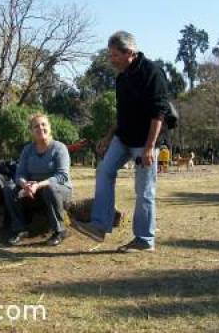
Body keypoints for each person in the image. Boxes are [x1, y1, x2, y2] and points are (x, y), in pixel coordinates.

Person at [71, 31, 169, 252]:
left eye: (115, 55)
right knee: (104, 171)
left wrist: (150, 147)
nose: (111, 59)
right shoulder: (122, 78)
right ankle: (99, 225)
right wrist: (108, 137)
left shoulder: (152, 72)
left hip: (145, 141)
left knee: (144, 190)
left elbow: (159, 114)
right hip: (123, 137)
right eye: (110, 55)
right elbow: (122, 114)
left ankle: (144, 240)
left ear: (130, 52)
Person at [4, 113, 72, 246]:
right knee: (9, 188)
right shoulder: (27, 150)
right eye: (36, 126)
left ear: (50, 127)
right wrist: (25, 184)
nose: (40, 128)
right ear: (31, 131)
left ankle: (59, 231)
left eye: (43, 124)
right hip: (33, 191)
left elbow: (62, 176)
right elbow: (20, 174)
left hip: (58, 190)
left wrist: (38, 185)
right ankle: (20, 229)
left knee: (49, 189)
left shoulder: (60, 148)